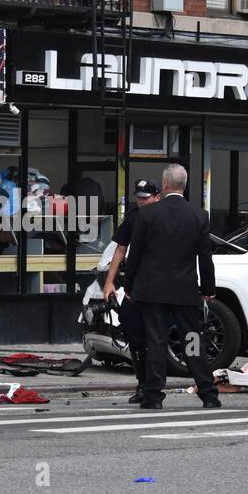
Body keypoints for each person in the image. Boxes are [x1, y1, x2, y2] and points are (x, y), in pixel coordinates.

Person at [124, 164, 221, 410]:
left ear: (164, 185)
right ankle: (208, 394)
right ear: (184, 186)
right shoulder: (199, 215)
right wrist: (208, 289)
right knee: (192, 339)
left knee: (156, 341)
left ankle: (153, 396)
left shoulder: (148, 214)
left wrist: (129, 284)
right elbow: (205, 257)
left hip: (152, 290)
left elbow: (135, 254)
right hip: (184, 290)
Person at [103, 179, 161, 403]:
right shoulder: (134, 216)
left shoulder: (163, 216)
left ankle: (154, 387)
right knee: (133, 332)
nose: (141, 202)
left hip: (159, 286)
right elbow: (120, 248)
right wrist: (110, 281)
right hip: (135, 286)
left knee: (155, 337)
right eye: (139, 198)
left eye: (146, 198)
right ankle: (143, 384)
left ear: (157, 196)